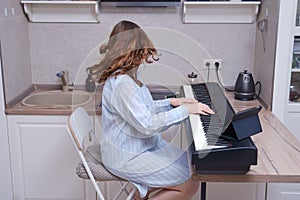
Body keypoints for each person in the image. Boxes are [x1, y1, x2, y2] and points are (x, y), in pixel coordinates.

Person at [88, 20, 214, 200]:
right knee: (190, 181)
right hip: (126, 157)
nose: (144, 58)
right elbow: (147, 124)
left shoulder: (130, 75)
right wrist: (186, 110)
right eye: (141, 52)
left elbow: (142, 109)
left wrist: (173, 102)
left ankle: (140, 196)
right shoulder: (122, 83)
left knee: (192, 168)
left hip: (142, 147)